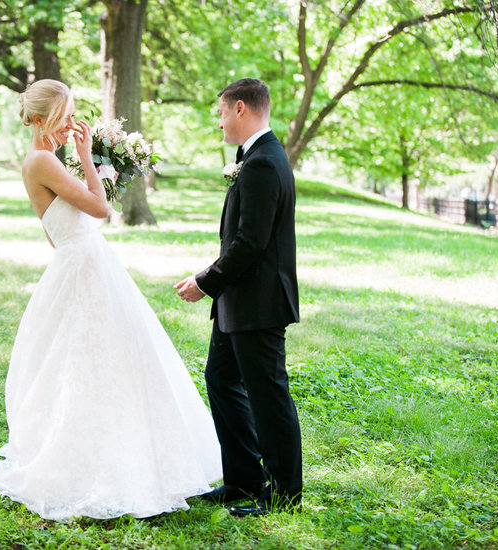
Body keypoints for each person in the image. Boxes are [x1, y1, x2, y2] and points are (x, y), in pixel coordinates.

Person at [0, 79, 221, 522]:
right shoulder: (43, 160)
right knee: (89, 361)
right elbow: (101, 209)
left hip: (82, 264)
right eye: (61, 117)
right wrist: (84, 159)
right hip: (85, 267)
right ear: (38, 120)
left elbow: (53, 232)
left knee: (108, 358)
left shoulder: (40, 161)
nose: (69, 125)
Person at [175, 78, 302, 517]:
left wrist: (205, 281)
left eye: (222, 112)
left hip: (259, 303)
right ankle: (244, 481)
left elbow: (251, 242)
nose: (220, 121)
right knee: (221, 379)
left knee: (269, 397)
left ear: (241, 108)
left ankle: (285, 494)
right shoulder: (255, 157)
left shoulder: (264, 162)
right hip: (238, 302)